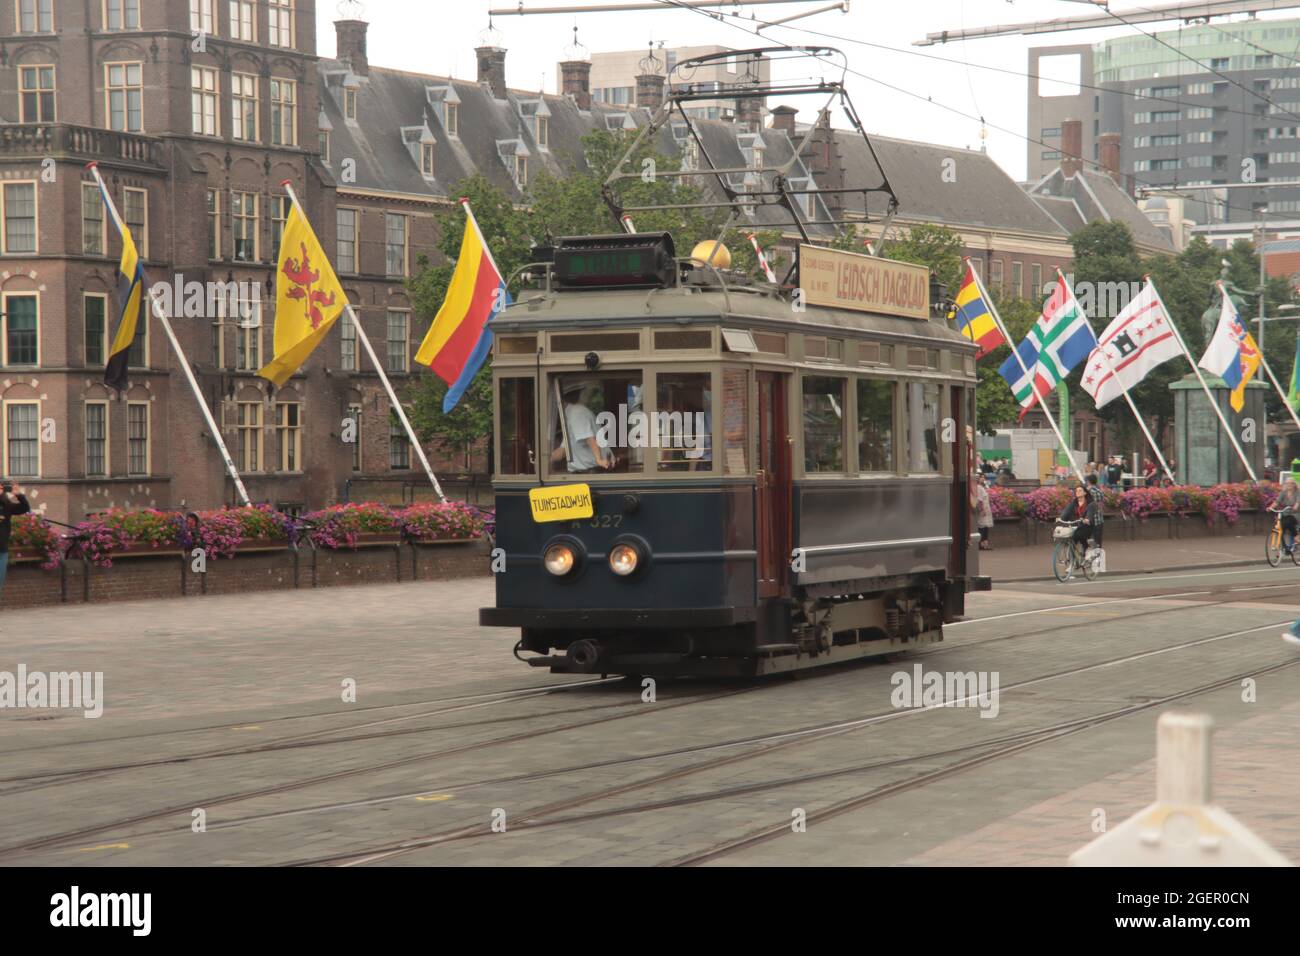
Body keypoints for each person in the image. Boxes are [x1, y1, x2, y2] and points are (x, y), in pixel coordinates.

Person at [551, 383, 613, 474]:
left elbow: (590, 439)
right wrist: (545, 460)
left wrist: (599, 460)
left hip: (592, 473)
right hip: (586, 472)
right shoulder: (570, 416)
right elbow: (564, 450)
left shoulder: (576, 413)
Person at [0, 481, 32, 603]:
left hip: (1, 550)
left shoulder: (6, 505)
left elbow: (24, 508)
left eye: (0, 488)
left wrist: (19, 495)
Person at [1059, 483, 1101, 555]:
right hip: (1076, 525)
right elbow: (1067, 511)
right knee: (1071, 534)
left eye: (1080, 490)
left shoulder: (1091, 503)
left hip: (1087, 526)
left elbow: (1090, 513)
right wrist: (1061, 518)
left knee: (1077, 535)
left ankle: (1083, 549)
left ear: (1085, 492)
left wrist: (1087, 519)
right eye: (1076, 491)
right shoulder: (1074, 503)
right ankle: (1073, 557)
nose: (1077, 492)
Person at [1270, 474, 1299, 555]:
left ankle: (1296, 536)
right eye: (1287, 483)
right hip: (1286, 513)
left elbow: (1297, 502)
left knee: (1288, 521)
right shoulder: (1283, 493)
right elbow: (1277, 502)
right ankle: (1284, 548)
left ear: (1294, 484)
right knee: (1280, 528)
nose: (1289, 485)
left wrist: (1295, 507)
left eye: (1290, 483)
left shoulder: (1297, 493)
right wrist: (1270, 507)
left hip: (1296, 514)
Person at [972, 472, 994, 550]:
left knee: (985, 527)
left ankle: (985, 544)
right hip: (983, 509)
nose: (983, 478)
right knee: (982, 527)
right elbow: (979, 500)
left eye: (983, 477)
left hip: (986, 509)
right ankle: (981, 544)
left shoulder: (983, 486)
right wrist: (982, 510)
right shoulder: (978, 487)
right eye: (981, 477)